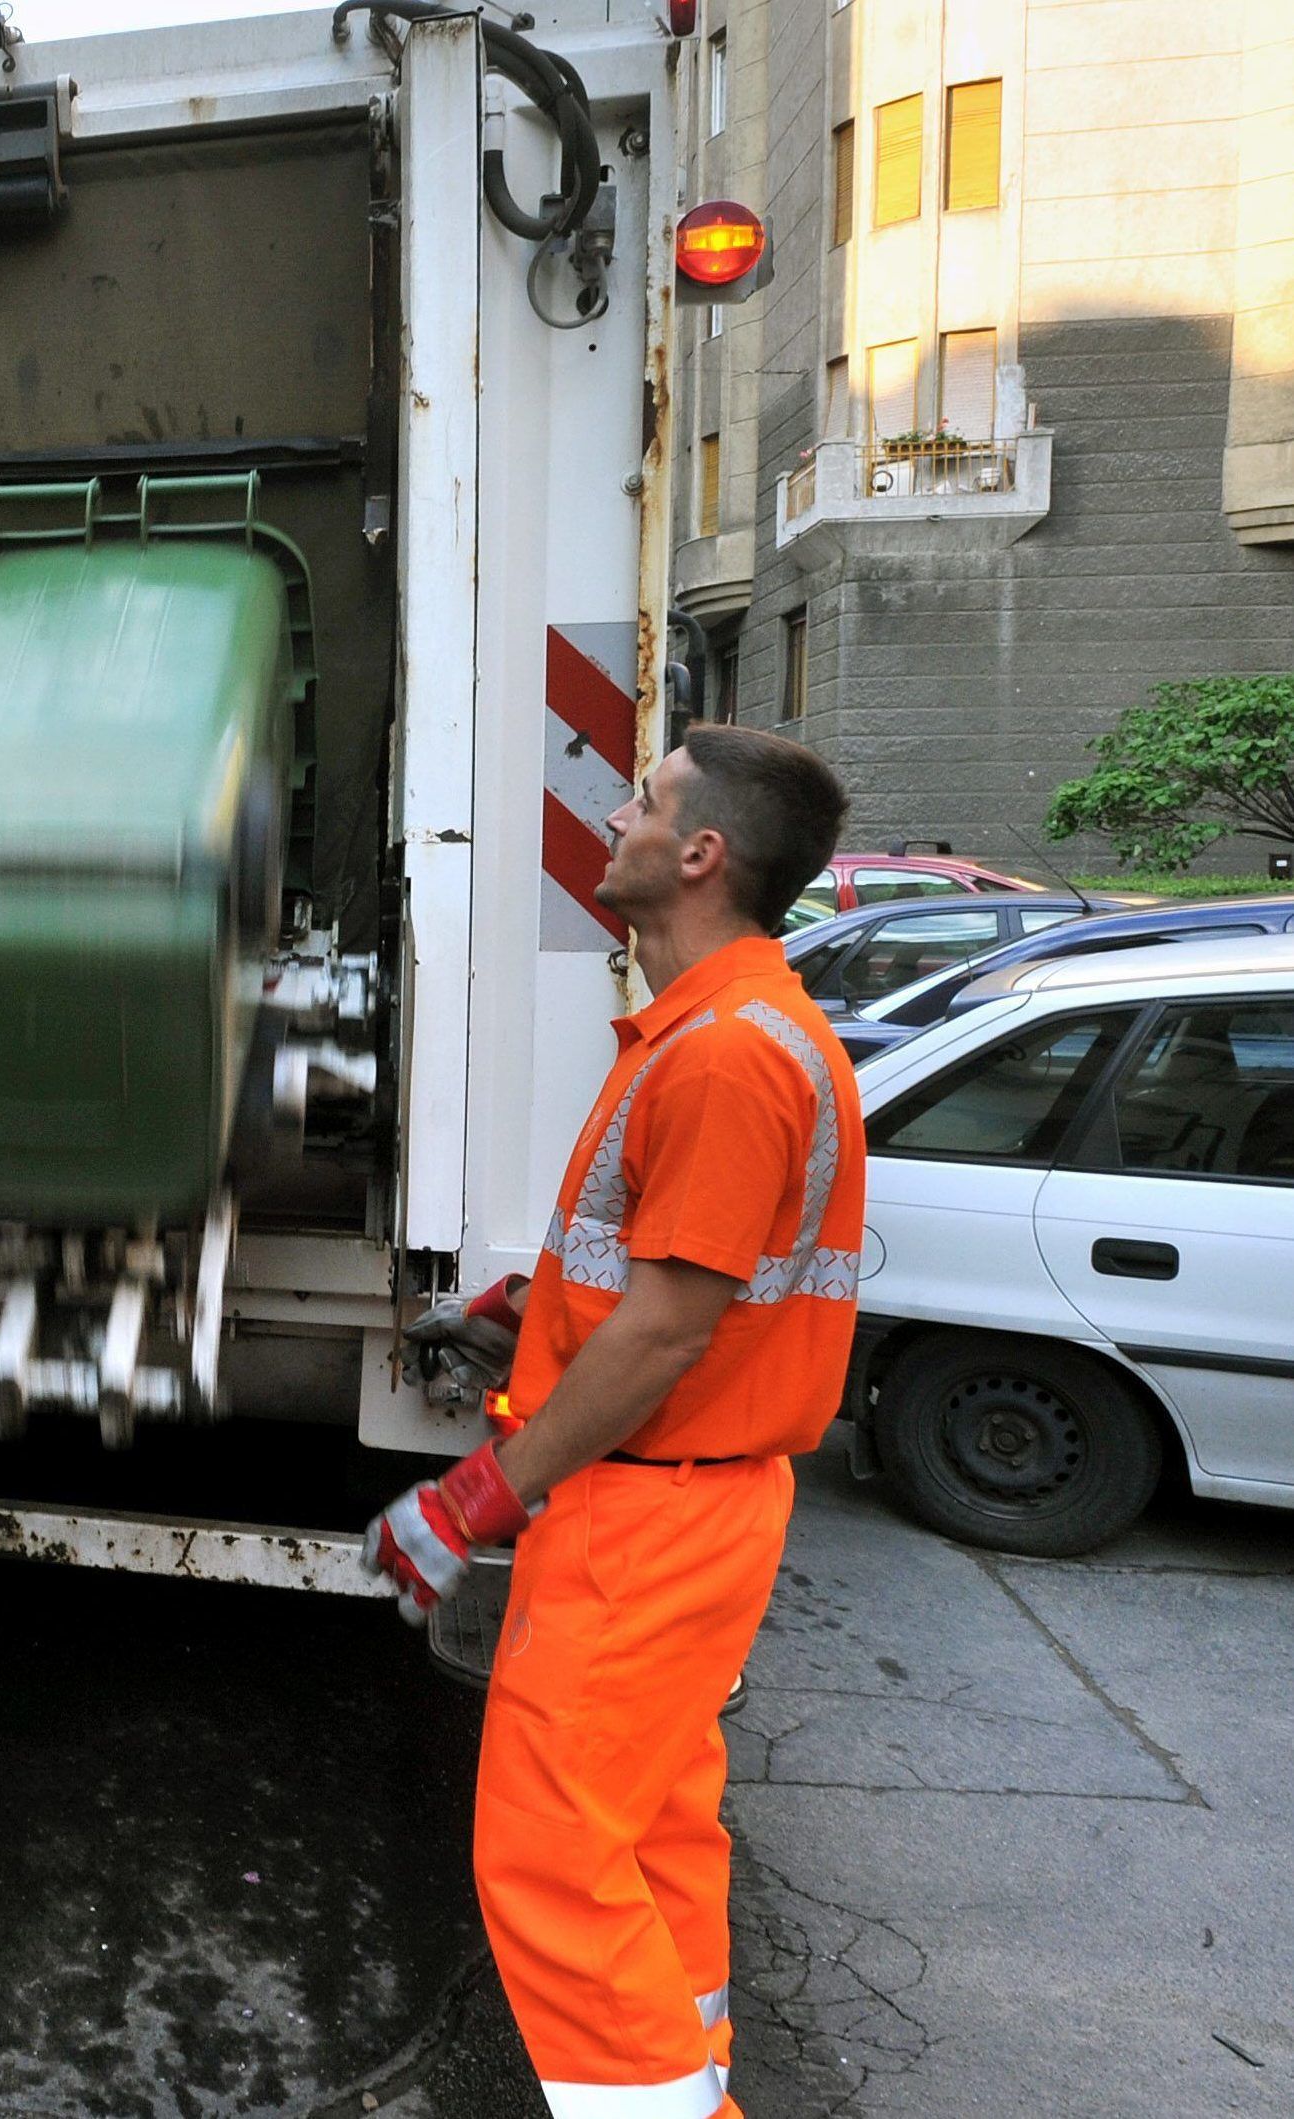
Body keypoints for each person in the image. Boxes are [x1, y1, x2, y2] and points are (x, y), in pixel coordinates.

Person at [365, 724, 864, 2119]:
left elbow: (664, 1330)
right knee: (645, 1834)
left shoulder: (719, 1056)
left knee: (549, 1857)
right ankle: (694, 2076)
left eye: (641, 804)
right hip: (688, 1505)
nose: (613, 819)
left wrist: (475, 1498)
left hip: (644, 1515)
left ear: (698, 855)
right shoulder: (719, 1028)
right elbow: (660, 1282)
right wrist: (530, 1304)